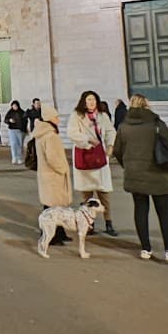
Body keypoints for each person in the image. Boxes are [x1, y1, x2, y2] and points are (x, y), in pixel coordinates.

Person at [111, 93, 168, 264]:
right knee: (164, 213)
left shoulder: (124, 126)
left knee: (140, 210)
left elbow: (117, 151)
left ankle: (145, 249)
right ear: (146, 105)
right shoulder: (156, 124)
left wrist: (128, 166)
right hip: (158, 174)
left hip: (135, 175)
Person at [67, 90, 117, 236]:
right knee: (87, 194)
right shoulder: (76, 116)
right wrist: (87, 140)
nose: (91, 102)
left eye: (93, 99)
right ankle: (89, 224)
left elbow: (110, 131)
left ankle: (109, 222)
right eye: (89, 100)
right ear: (84, 101)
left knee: (104, 193)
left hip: (99, 155)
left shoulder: (102, 116)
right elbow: (72, 133)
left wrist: (110, 145)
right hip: (84, 155)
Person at [30, 105, 72, 238]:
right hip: (54, 175)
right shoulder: (50, 136)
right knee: (54, 206)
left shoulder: (41, 134)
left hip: (46, 174)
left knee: (51, 206)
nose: (58, 120)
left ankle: (59, 233)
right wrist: (62, 169)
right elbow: (52, 158)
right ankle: (52, 235)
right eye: (55, 117)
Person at [4, 100, 27, 164]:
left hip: (20, 130)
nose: (15, 107)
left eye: (16, 105)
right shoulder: (10, 112)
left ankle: (19, 158)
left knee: (20, 144)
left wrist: (24, 129)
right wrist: (9, 120)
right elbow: (5, 120)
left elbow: (25, 121)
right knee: (13, 144)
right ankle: (14, 157)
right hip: (12, 130)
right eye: (13, 106)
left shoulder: (22, 112)